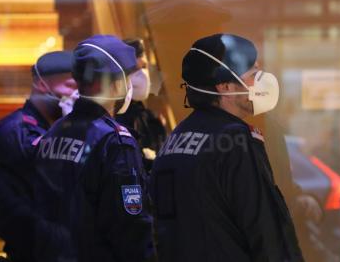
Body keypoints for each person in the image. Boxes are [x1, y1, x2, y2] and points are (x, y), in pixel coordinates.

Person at [151, 33, 304, 262]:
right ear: (225, 87)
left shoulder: (176, 138)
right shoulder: (236, 140)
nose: (261, 80)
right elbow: (265, 227)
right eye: (253, 74)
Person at [33, 35, 155, 262]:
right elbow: (131, 227)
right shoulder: (116, 142)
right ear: (116, 83)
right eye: (127, 77)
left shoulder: (54, 132)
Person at [0, 51, 77, 262]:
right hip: (34, 252)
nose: (77, 95)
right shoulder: (17, 131)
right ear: (42, 84)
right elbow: (50, 182)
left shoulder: (56, 127)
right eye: (71, 86)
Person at [116, 38, 166, 171]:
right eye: (135, 70)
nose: (143, 76)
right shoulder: (115, 119)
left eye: (144, 68)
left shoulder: (148, 118)